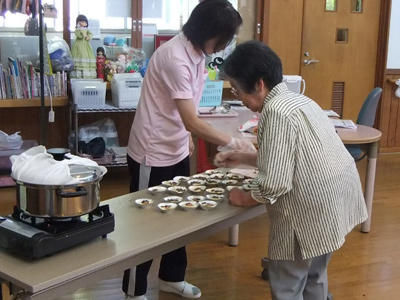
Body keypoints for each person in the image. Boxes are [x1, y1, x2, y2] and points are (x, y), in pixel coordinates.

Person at [215, 40, 368, 300]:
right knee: (315, 275)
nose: (238, 98)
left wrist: (244, 197)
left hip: (309, 210)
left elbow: (273, 184)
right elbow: (291, 159)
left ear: (260, 85)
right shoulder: (299, 100)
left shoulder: (274, 112)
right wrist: (244, 157)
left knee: (288, 284)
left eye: (238, 92)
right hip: (335, 200)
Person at [123, 1, 254, 300]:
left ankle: (171, 277)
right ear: (208, 32)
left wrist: (188, 138)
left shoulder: (197, 53)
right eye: (223, 38)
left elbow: (188, 111)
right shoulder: (174, 58)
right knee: (145, 223)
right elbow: (191, 119)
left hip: (177, 146)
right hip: (151, 152)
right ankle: (134, 291)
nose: (223, 45)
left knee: (178, 218)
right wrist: (233, 143)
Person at [71, 14, 96, 79]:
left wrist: (87, 36)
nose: (83, 23)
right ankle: (78, 76)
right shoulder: (77, 30)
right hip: (78, 46)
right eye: (81, 22)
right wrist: (81, 30)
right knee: (79, 58)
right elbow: (79, 36)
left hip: (86, 46)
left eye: (84, 22)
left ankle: (87, 76)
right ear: (78, 22)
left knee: (86, 58)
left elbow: (90, 36)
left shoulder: (87, 30)